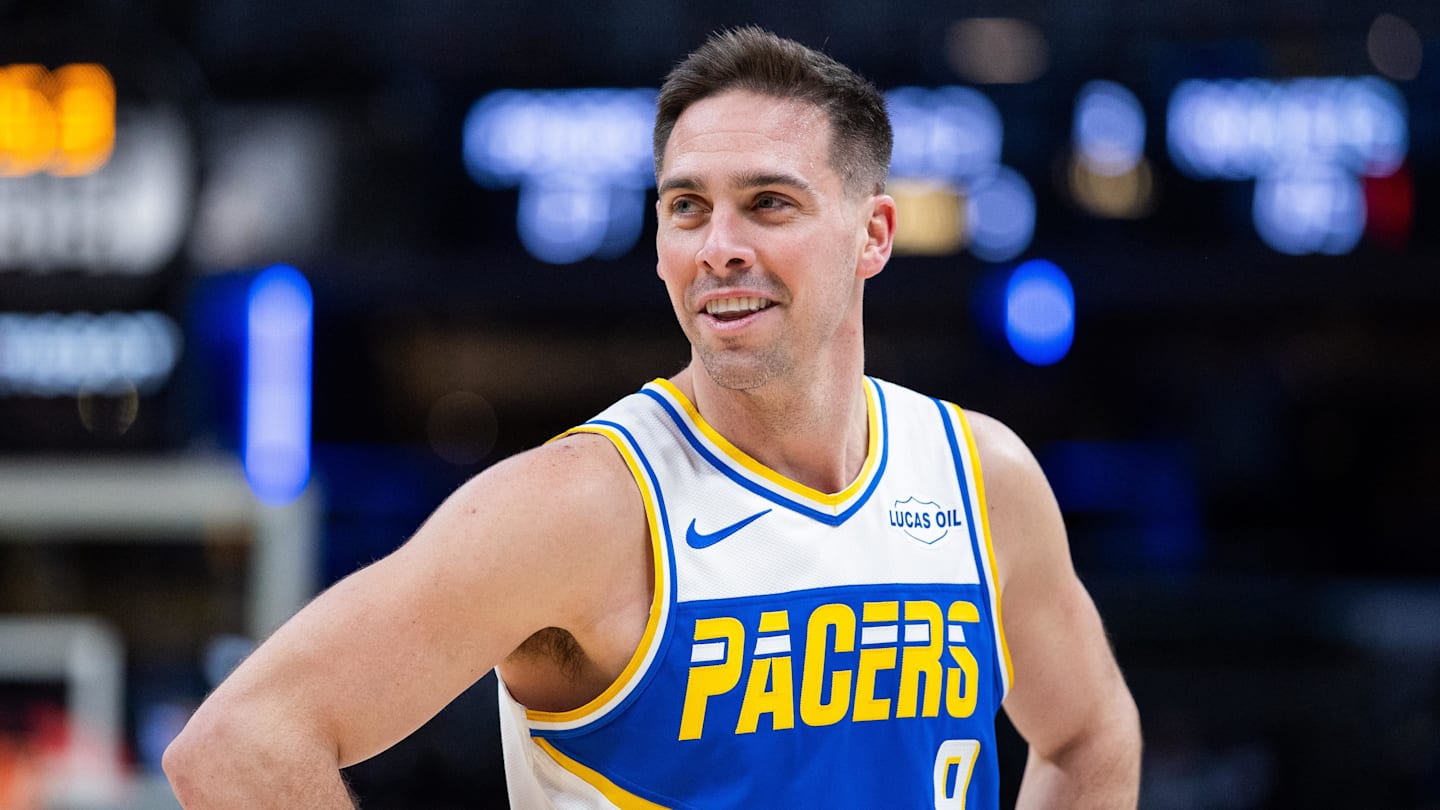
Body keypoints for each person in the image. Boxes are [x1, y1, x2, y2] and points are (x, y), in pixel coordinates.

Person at [164, 26, 1141, 808]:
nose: (719, 245)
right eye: (686, 208)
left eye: (767, 204)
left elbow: (1092, 735)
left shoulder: (981, 476)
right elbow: (239, 744)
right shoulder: (577, 506)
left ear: (872, 235)